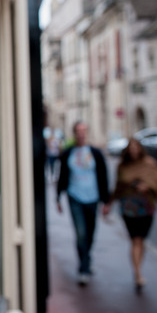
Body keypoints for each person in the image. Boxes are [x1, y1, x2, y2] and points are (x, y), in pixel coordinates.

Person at [103, 138, 157, 293]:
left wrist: (148, 186)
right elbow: (118, 186)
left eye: (135, 148)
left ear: (140, 149)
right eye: (130, 148)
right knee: (135, 239)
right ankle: (137, 273)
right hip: (129, 207)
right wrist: (109, 202)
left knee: (141, 240)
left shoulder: (150, 163)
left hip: (146, 206)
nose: (133, 151)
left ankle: (138, 269)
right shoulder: (123, 166)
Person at [56, 121, 109, 286]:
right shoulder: (68, 153)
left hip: (92, 197)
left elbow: (103, 177)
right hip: (75, 197)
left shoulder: (95, 153)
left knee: (91, 232)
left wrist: (106, 201)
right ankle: (83, 268)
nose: (81, 134)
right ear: (74, 133)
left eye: (84, 131)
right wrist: (58, 197)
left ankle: (87, 258)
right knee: (81, 233)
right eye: (78, 131)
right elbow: (62, 175)